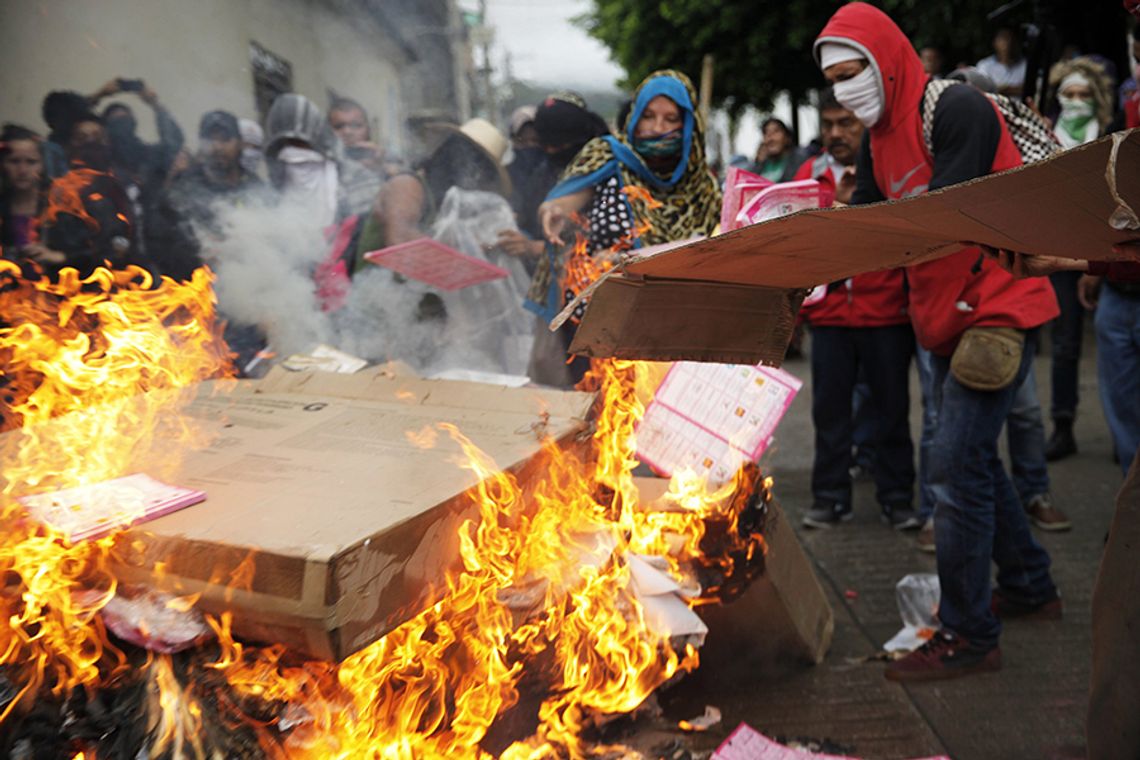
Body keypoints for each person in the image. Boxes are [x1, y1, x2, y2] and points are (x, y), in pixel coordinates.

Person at [815, 2, 1061, 682]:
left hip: (996, 308)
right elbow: (871, 220)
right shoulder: (878, 135)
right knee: (975, 461)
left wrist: (845, 231)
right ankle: (1031, 585)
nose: (844, 88)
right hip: (943, 318)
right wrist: (800, 234)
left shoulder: (956, 111)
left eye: (852, 71)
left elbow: (939, 220)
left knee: (952, 469)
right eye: (832, 78)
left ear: (886, 57)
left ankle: (969, 632)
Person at [533, 70, 721, 382]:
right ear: (634, 116)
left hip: (673, 330)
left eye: (670, 119)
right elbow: (563, 201)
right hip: (600, 324)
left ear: (687, 126)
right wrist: (552, 211)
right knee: (605, 421)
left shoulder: (704, 189)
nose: (657, 128)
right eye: (648, 116)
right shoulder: (607, 156)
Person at [795, 88, 919, 531]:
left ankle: (898, 498)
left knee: (891, 411)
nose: (835, 133)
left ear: (865, 122)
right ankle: (829, 498)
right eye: (828, 124)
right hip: (828, 317)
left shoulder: (891, 169)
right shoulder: (809, 174)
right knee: (829, 413)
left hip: (886, 311)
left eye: (846, 123)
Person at [1042, 57, 1117, 462]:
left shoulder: (1110, 137)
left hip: (1111, 254)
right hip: (1060, 254)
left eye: (1084, 95)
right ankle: (1063, 424)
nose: (1075, 102)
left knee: (1117, 345)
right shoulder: (1047, 139)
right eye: (1068, 94)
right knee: (1066, 343)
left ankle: (1123, 432)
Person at [153, 110, 266, 282]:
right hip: (200, 292)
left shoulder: (255, 187)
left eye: (225, 140)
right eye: (210, 140)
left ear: (240, 143)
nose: (217, 147)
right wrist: (200, 252)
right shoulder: (185, 187)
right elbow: (163, 242)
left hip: (249, 287)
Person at [31, 111, 139, 278]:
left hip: (115, 280)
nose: (90, 143)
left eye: (97, 137)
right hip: (65, 282)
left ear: (107, 142)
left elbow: (122, 243)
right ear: (70, 145)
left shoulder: (120, 185)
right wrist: (64, 257)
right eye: (82, 138)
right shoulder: (59, 191)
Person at [263, 93, 380, 225]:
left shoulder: (357, 178)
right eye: (285, 145)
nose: (293, 154)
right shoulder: (268, 195)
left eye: (302, 144)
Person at [0, 125, 48, 259]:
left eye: (31, 162)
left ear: (43, 165)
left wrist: (60, 256)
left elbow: (91, 254)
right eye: (14, 161)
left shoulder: (61, 208)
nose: (23, 170)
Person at [329, 96, 384, 177]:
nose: (347, 132)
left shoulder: (382, 158)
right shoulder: (320, 163)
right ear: (326, 132)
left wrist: (380, 168)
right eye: (338, 126)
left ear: (368, 130)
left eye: (356, 125)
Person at [749, 118, 809, 182]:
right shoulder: (759, 166)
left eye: (776, 131)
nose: (770, 138)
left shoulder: (800, 161)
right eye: (766, 133)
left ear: (787, 138)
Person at [976, 27, 1028, 97]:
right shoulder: (984, 65)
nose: (1008, 43)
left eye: (1011, 39)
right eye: (1004, 39)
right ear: (994, 43)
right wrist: (1012, 89)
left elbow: (1029, 89)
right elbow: (982, 89)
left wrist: (1001, 89)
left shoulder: (1025, 65)